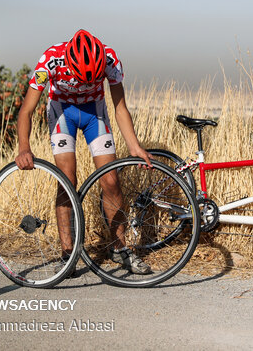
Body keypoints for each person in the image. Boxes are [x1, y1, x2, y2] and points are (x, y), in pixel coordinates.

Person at [15, 29, 152, 274]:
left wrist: (134, 145)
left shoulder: (110, 60)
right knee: (67, 180)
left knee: (110, 180)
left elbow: (120, 108)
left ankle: (118, 248)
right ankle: (68, 254)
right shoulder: (50, 60)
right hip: (62, 112)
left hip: (94, 113)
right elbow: (26, 110)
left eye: (92, 80)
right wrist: (24, 147)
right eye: (82, 79)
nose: (86, 84)